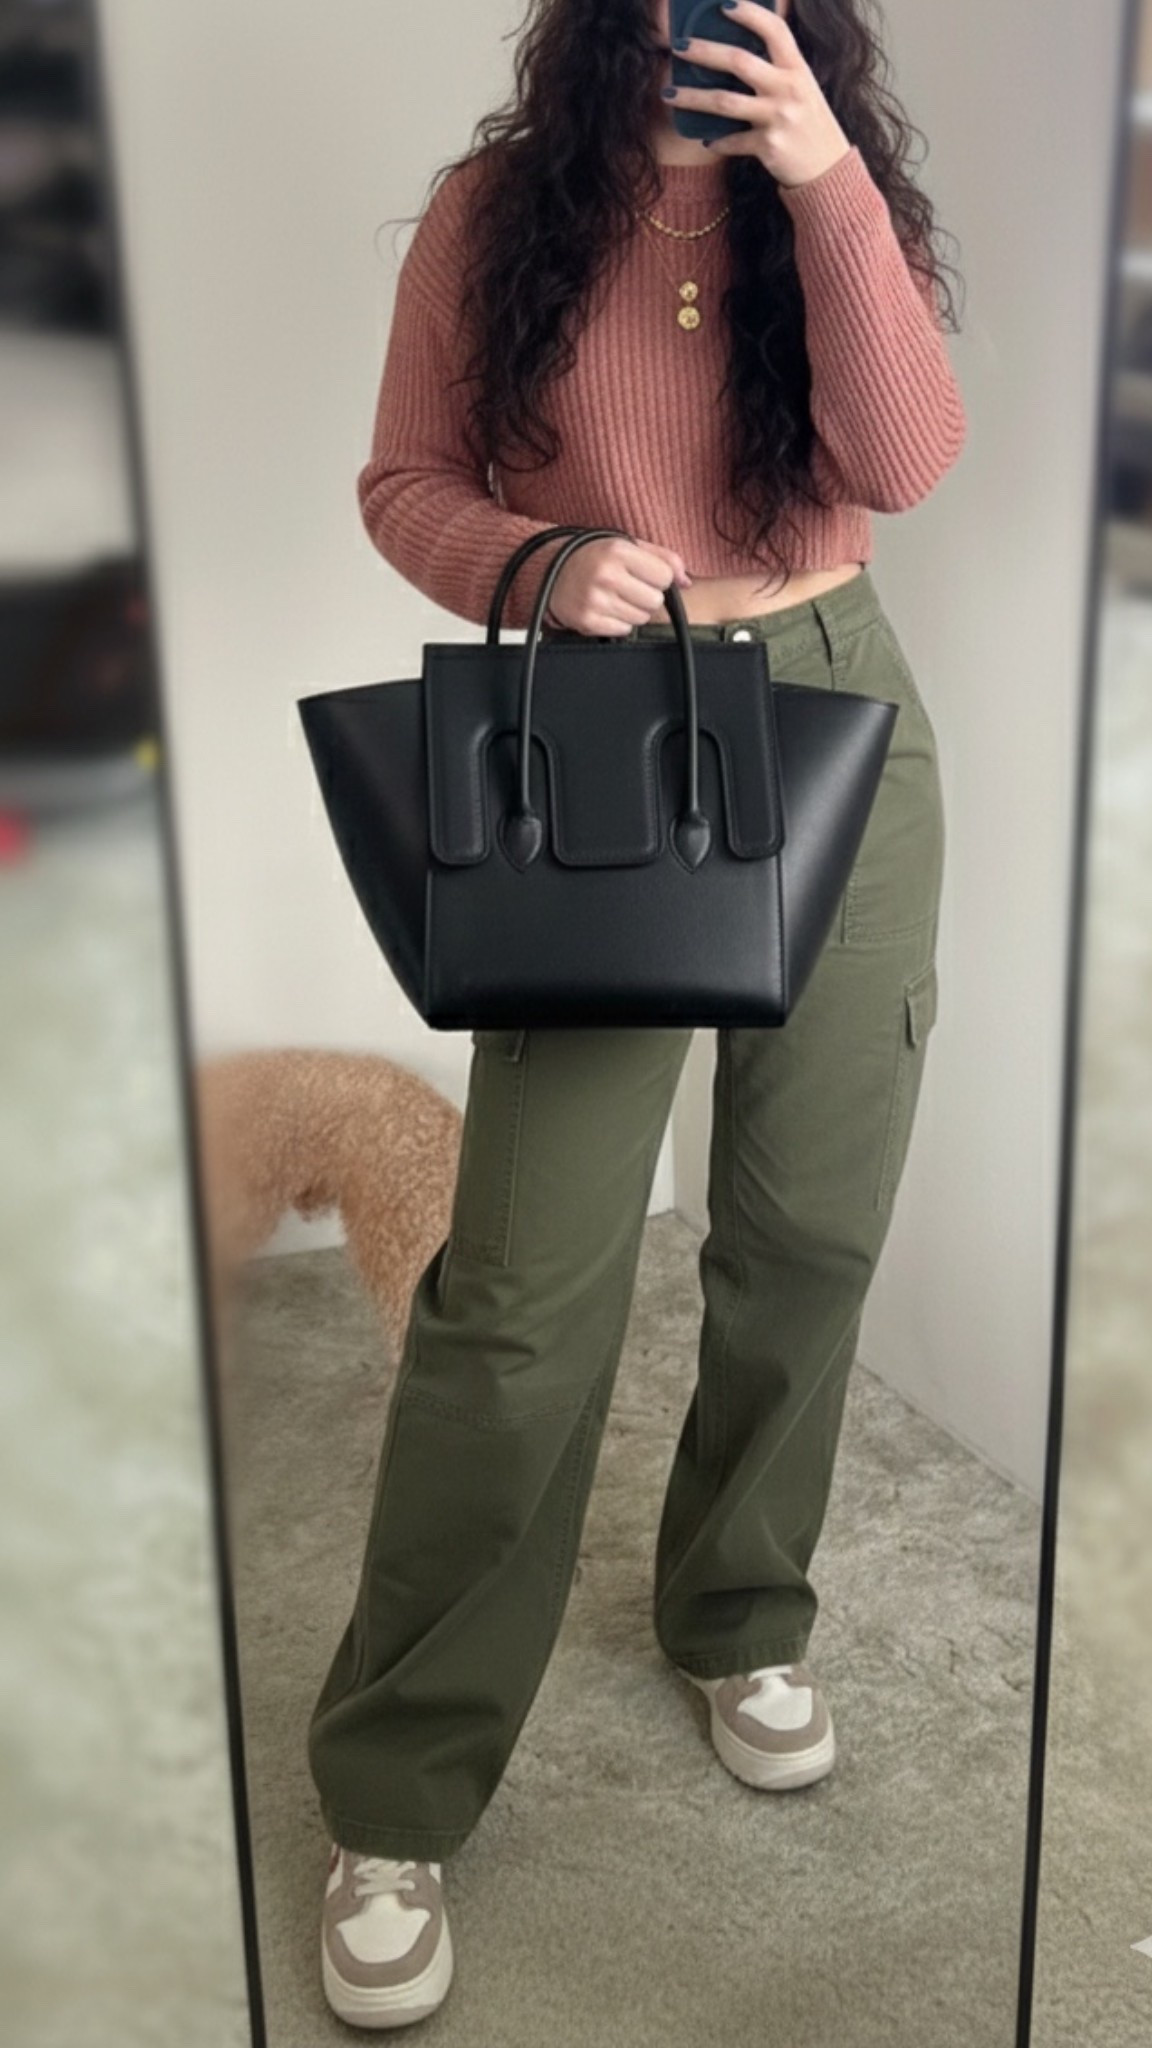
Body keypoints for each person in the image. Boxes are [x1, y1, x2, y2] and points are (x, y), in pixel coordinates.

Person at [313, 0, 966, 2026]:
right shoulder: (499, 209)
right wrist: (536, 564)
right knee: (523, 1293)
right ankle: (398, 1782)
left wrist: (821, 178)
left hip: (841, 714)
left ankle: (740, 1611)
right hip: (603, 734)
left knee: (810, 1232)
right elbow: (404, 481)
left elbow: (907, 460)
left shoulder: (827, 194)